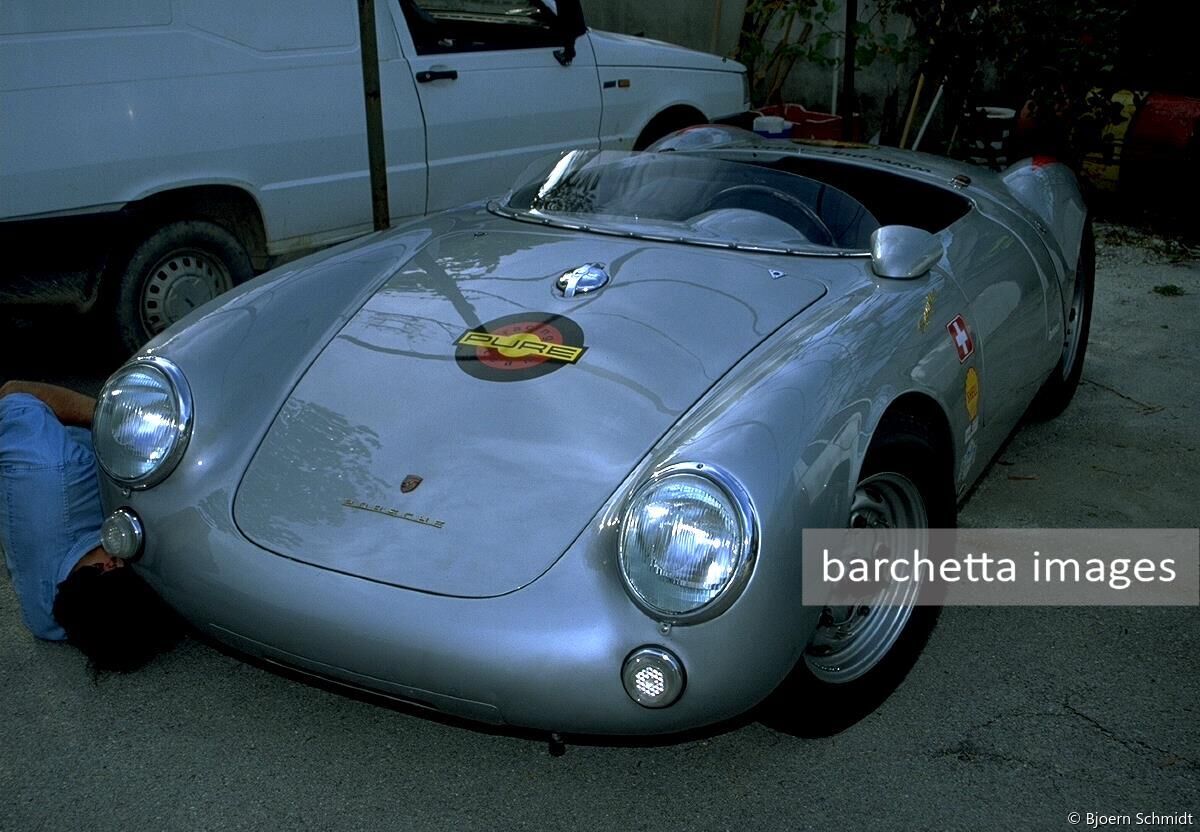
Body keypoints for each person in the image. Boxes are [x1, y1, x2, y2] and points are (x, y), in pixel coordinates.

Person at [0, 379, 180, 670]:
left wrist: (109, 418)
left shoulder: (52, 466)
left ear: (109, 565)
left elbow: (12, 391)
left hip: (45, 448)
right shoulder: (45, 621)